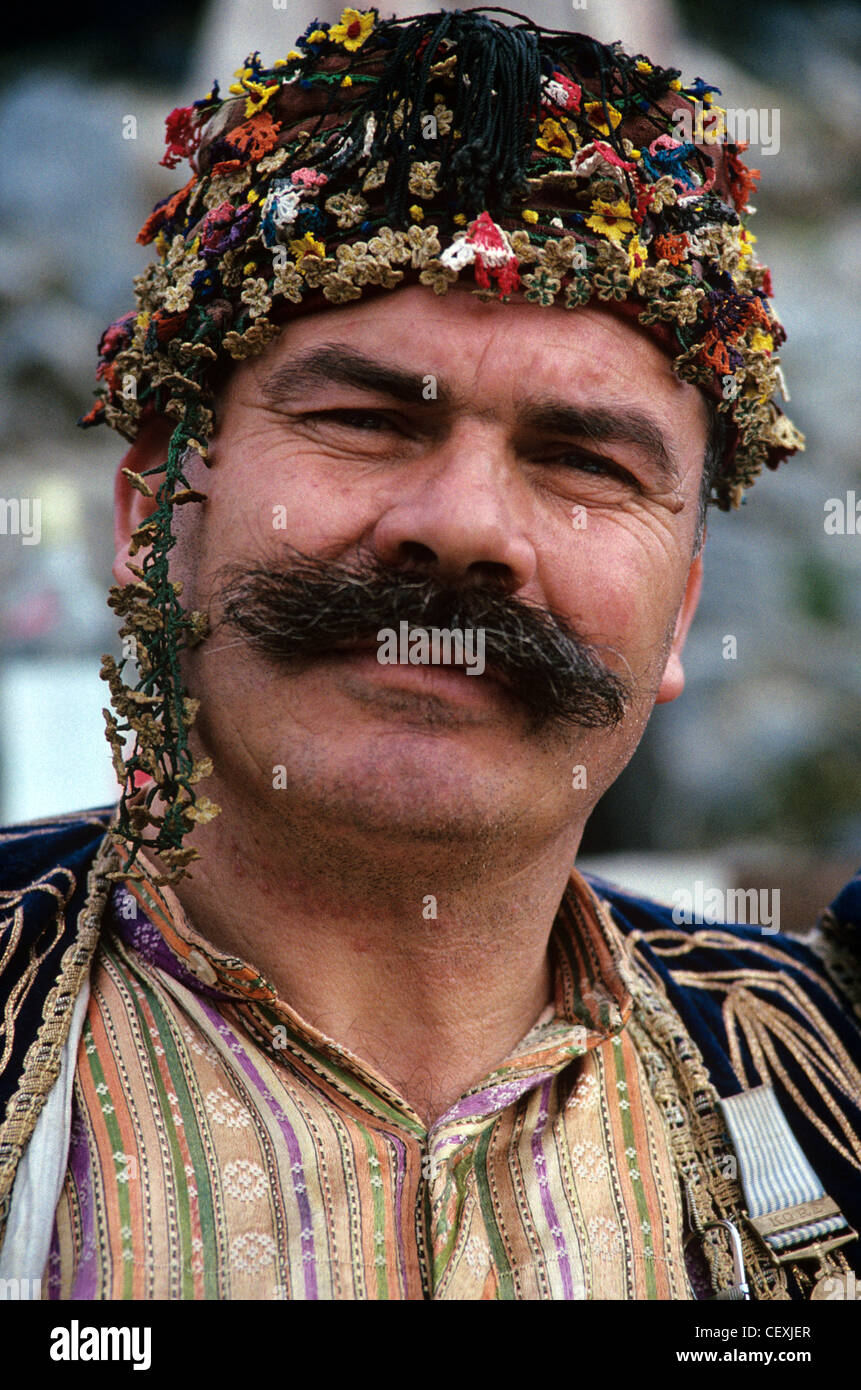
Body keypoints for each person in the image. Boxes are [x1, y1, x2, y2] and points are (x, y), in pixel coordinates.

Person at [0, 7, 858, 1302]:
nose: (462, 527)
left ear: (677, 617)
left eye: (581, 461)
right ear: (149, 530)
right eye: (362, 419)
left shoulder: (826, 1070)